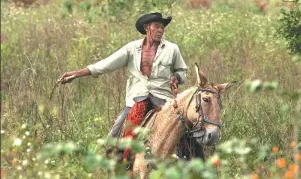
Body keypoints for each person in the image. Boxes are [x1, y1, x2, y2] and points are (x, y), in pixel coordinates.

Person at [59, 12, 203, 164]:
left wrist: (177, 77)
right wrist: (76, 74)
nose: (160, 30)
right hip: (136, 99)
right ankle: (120, 164)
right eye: (157, 26)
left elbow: (182, 71)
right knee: (115, 133)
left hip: (163, 100)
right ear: (147, 27)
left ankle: (196, 166)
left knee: (186, 131)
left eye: (162, 27)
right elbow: (105, 65)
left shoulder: (172, 49)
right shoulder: (131, 48)